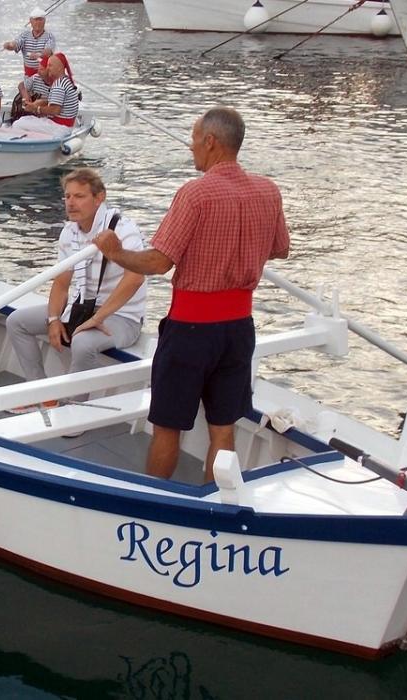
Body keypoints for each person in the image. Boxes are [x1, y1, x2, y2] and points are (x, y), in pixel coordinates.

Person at [93, 107, 290, 483]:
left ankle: (156, 500)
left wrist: (115, 251)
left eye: (194, 138)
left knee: (168, 425)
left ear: (211, 142)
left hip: (192, 329)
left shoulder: (196, 194)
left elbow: (158, 262)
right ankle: (214, 504)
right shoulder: (268, 190)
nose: (191, 147)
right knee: (223, 427)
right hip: (238, 329)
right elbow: (280, 248)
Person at [6, 168, 147, 407]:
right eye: (67, 196)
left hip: (122, 316)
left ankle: (74, 411)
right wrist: (53, 319)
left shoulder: (123, 229)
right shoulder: (69, 232)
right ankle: (40, 395)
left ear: (99, 197)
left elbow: (135, 279)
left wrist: (97, 318)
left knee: (82, 341)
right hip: (82, 307)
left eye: (79, 196)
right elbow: (62, 282)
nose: (71, 203)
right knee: (16, 321)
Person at [11, 53, 78, 137]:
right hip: (64, 125)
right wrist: (40, 103)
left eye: (50, 66)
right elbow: (59, 104)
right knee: (24, 119)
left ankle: (26, 147)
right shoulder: (65, 80)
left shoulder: (59, 85)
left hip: (59, 127)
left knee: (18, 124)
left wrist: (36, 108)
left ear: (59, 68)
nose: (48, 68)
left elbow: (55, 110)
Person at [3, 7, 56, 78]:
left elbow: (48, 51)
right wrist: (9, 45)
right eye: (36, 20)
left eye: (40, 20)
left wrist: (39, 54)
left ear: (44, 21)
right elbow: (16, 43)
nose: (38, 22)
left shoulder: (49, 36)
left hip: (45, 74)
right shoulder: (25, 35)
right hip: (29, 75)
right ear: (31, 21)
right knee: (21, 86)